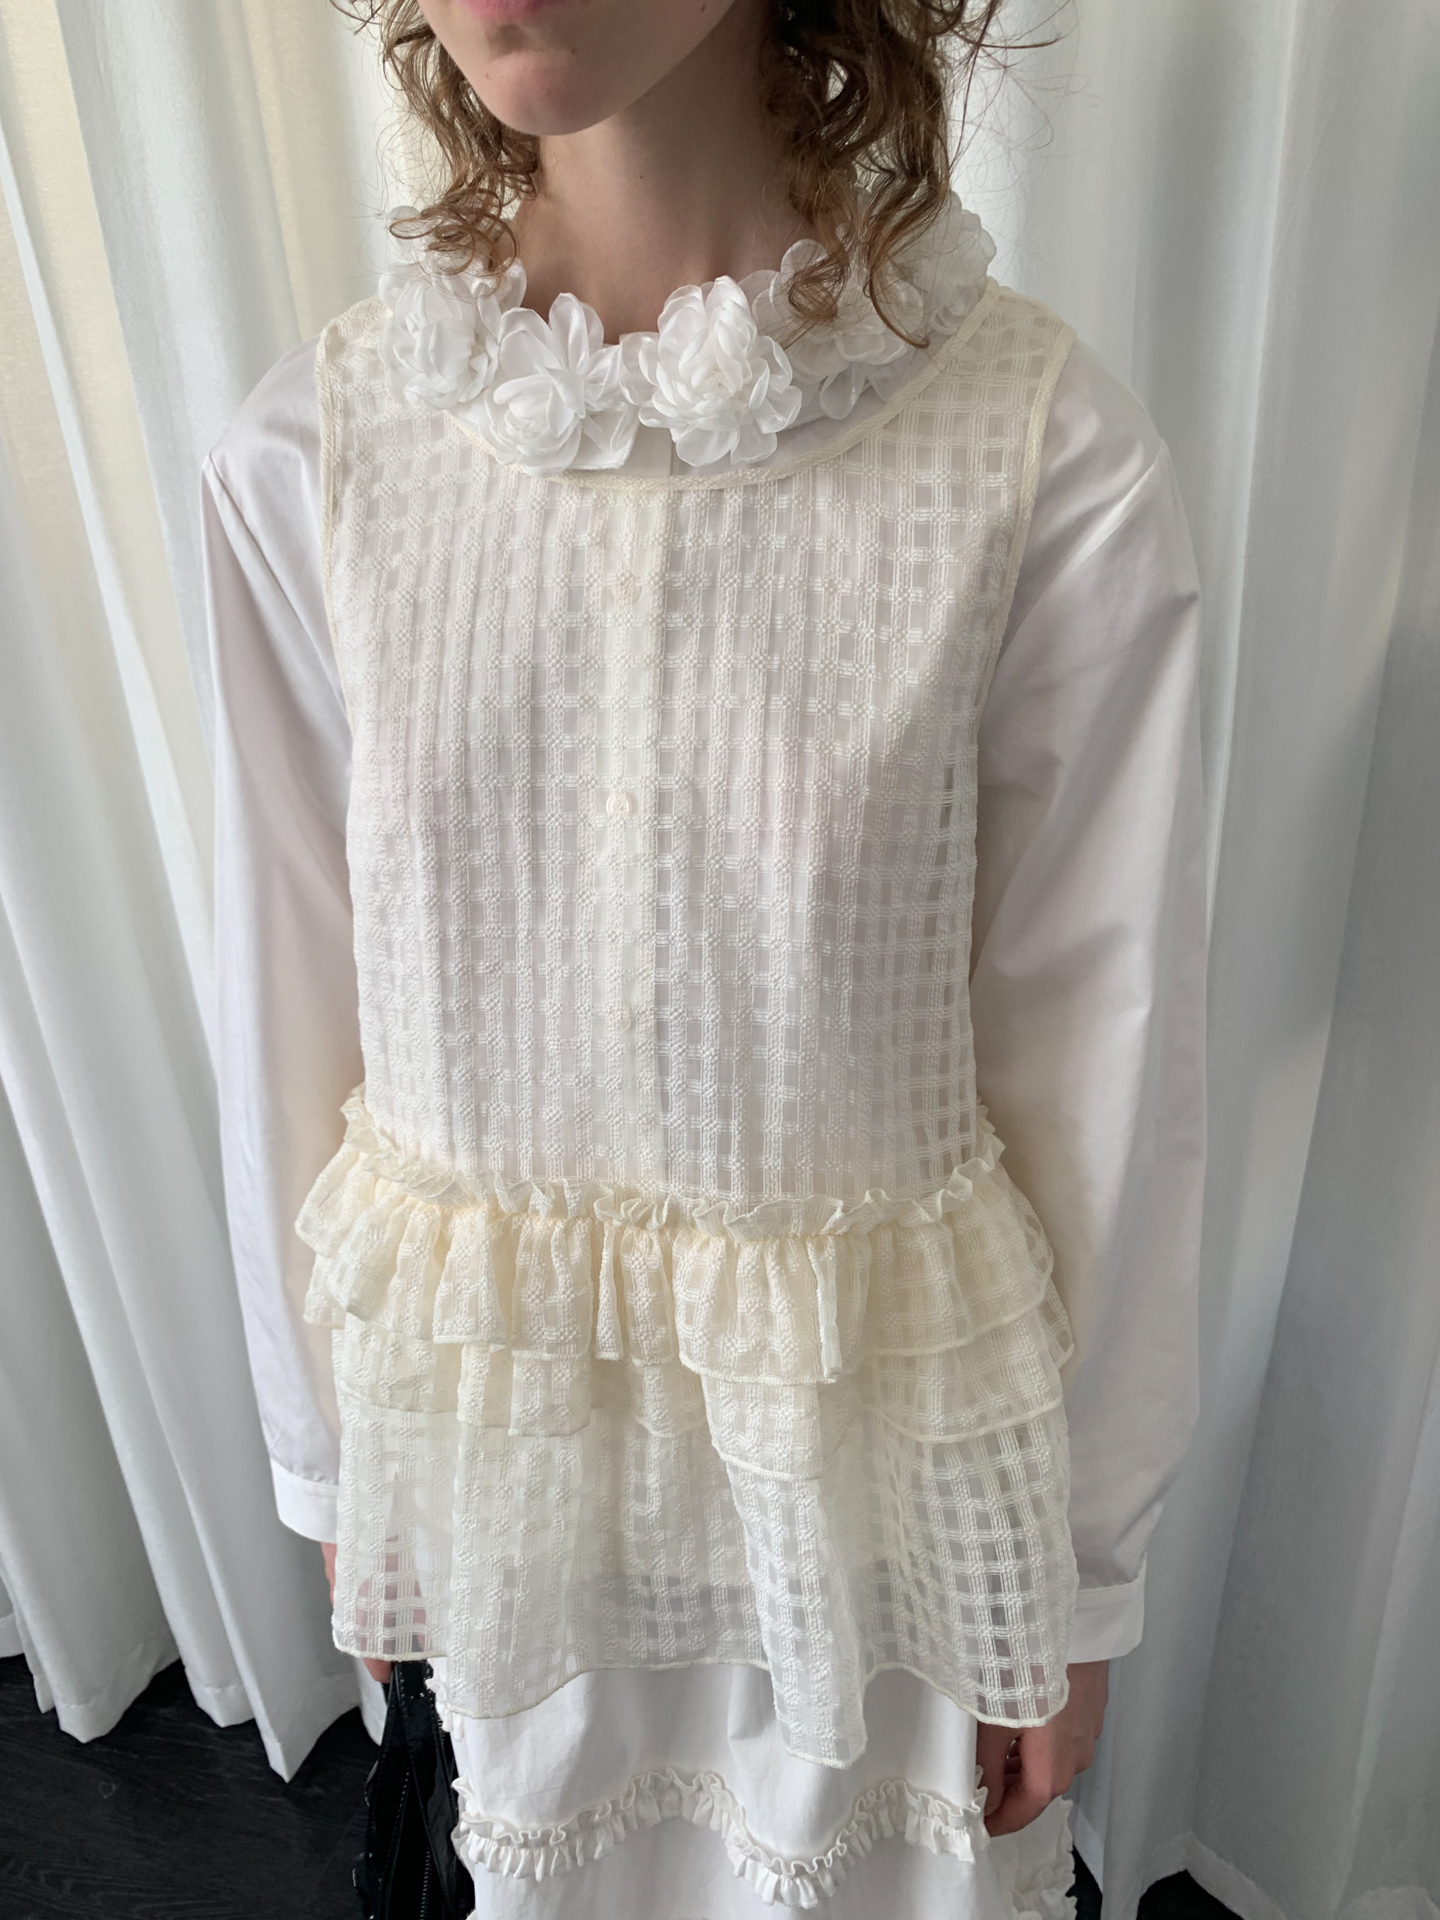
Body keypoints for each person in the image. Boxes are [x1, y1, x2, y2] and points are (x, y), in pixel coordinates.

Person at [203, 0, 1207, 1912]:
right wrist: (333, 1473)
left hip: (885, 1502)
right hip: (499, 1474)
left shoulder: (1037, 454)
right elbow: (287, 1008)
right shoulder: (310, 458)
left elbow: (1107, 1062)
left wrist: (1079, 1581)